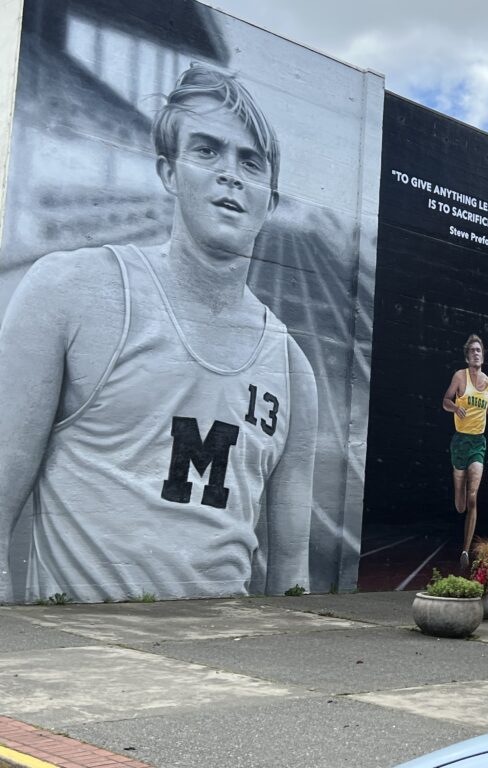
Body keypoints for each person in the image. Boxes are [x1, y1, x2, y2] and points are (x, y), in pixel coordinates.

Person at [0, 63, 318, 604]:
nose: (230, 175)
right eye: (206, 150)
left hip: (227, 664)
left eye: (250, 162)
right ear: (168, 172)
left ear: (271, 199)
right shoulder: (71, 290)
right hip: (85, 661)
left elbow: (289, 567)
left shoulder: (291, 368)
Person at [443, 334, 488, 569]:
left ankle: (465, 550)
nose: (476, 353)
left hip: (478, 443)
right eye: (473, 351)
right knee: (461, 504)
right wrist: (456, 407)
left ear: (483, 355)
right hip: (460, 442)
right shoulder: (459, 376)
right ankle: (460, 492)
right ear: (467, 357)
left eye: (479, 350)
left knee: (473, 497)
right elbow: (445, 400)